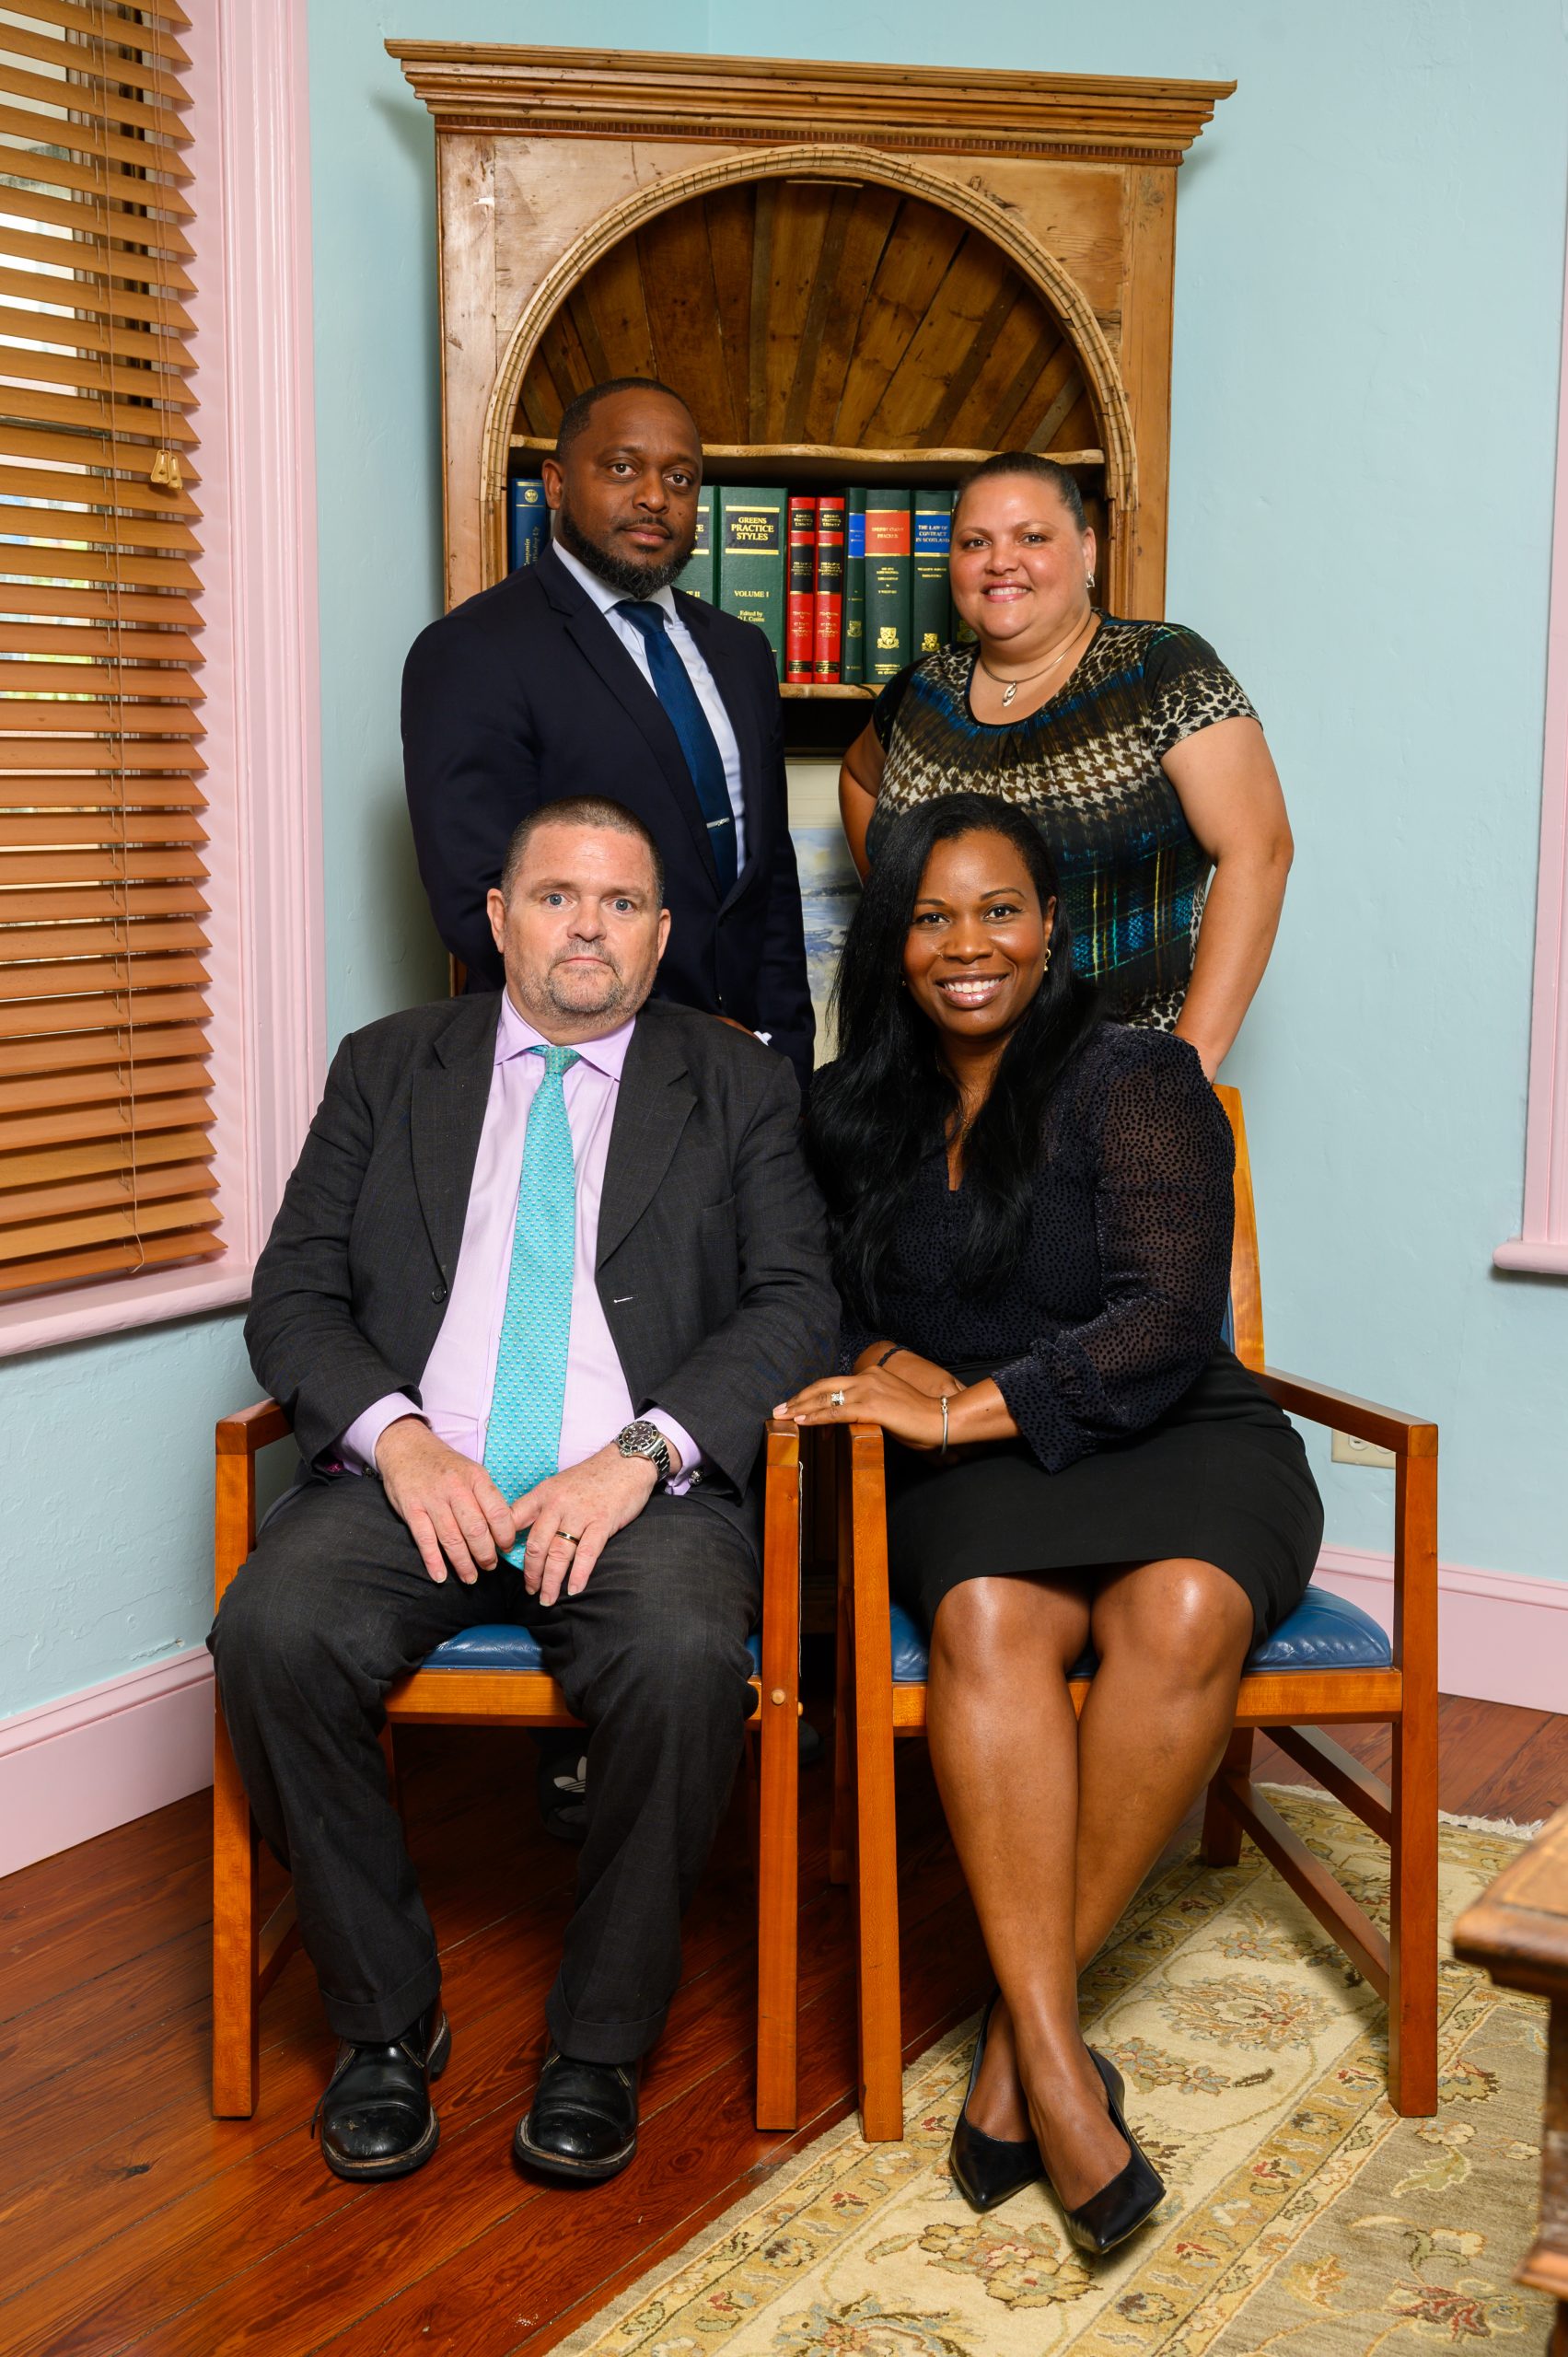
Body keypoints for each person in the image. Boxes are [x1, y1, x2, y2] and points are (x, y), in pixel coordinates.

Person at [210, 797, 835, 2189]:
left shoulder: (734, 1082)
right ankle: (383, 2021)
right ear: (498, 918)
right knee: (272, 1631)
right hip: (414, 1479)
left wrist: (641, 1455)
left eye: (621, 904)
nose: (587, 929)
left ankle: (598, 2044)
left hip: (634, 1491)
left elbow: (797, 1304)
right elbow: (293, 1294)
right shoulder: (387, 1066)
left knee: (681, 1659)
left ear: (660, 936)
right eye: (556, 896)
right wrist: (398, 1439)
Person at [780, 793, 1321, 2253]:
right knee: (985, 1611)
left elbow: (1162, 1320)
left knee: (1185, 1604)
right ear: (891, 945)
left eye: (997, 911)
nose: (967, 946)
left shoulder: (1132, 1076)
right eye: (930, 918)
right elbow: (804, 1296)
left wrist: (952, 1409)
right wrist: (884, 1365)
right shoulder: (846, 1113)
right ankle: (1061, 2076)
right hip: (976, 1468)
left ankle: (1019, 2058)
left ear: (1049, 926)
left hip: (1174, 1436)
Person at [402, 376, 814, 1092]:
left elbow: (766, 877)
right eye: (622, 467)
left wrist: (786, 1058)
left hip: (747, 1074)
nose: (655, 497)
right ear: (556, 484)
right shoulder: (472, 650)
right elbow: (482, 907)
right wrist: (676, 1042)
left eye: (679, 478)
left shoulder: (741, 651)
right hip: (576, 1074)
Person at [837, 454, 1295, 1077]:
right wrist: (902, 909)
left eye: (1031, 537)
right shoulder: (920, 692)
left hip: (1118, 1079)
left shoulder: (1157, 666)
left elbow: (1259, 851)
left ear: (1086, 551)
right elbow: (859, 779)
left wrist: (1187, 1063)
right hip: (937, 1080)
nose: (1000, 561)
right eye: (975, 542)